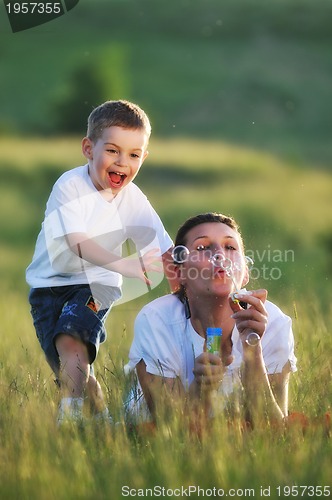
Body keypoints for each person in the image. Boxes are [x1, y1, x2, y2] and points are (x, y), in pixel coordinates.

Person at [26, 100, 174, 426]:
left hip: (99, 284)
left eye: (134, 155)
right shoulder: (70, 186)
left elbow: (163, 249)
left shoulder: (133, 198)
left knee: (70, 340)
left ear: (144, 157)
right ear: (88, 148)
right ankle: (103, 420)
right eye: (113, 151)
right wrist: (127, 265)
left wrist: (182, 286)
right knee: (69, 364)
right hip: (47, 287)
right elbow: (77, 242)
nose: (123, 162)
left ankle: (70, 422)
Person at [127, 212, 297, 429]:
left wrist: (253, 351)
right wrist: (201, 388)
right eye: (202, 248)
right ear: (180, 273)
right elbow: (171, 430)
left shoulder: (272, 322)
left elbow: (274, 429)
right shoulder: (157, 321)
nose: (219, 255)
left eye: (230, 248)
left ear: (245, 274)